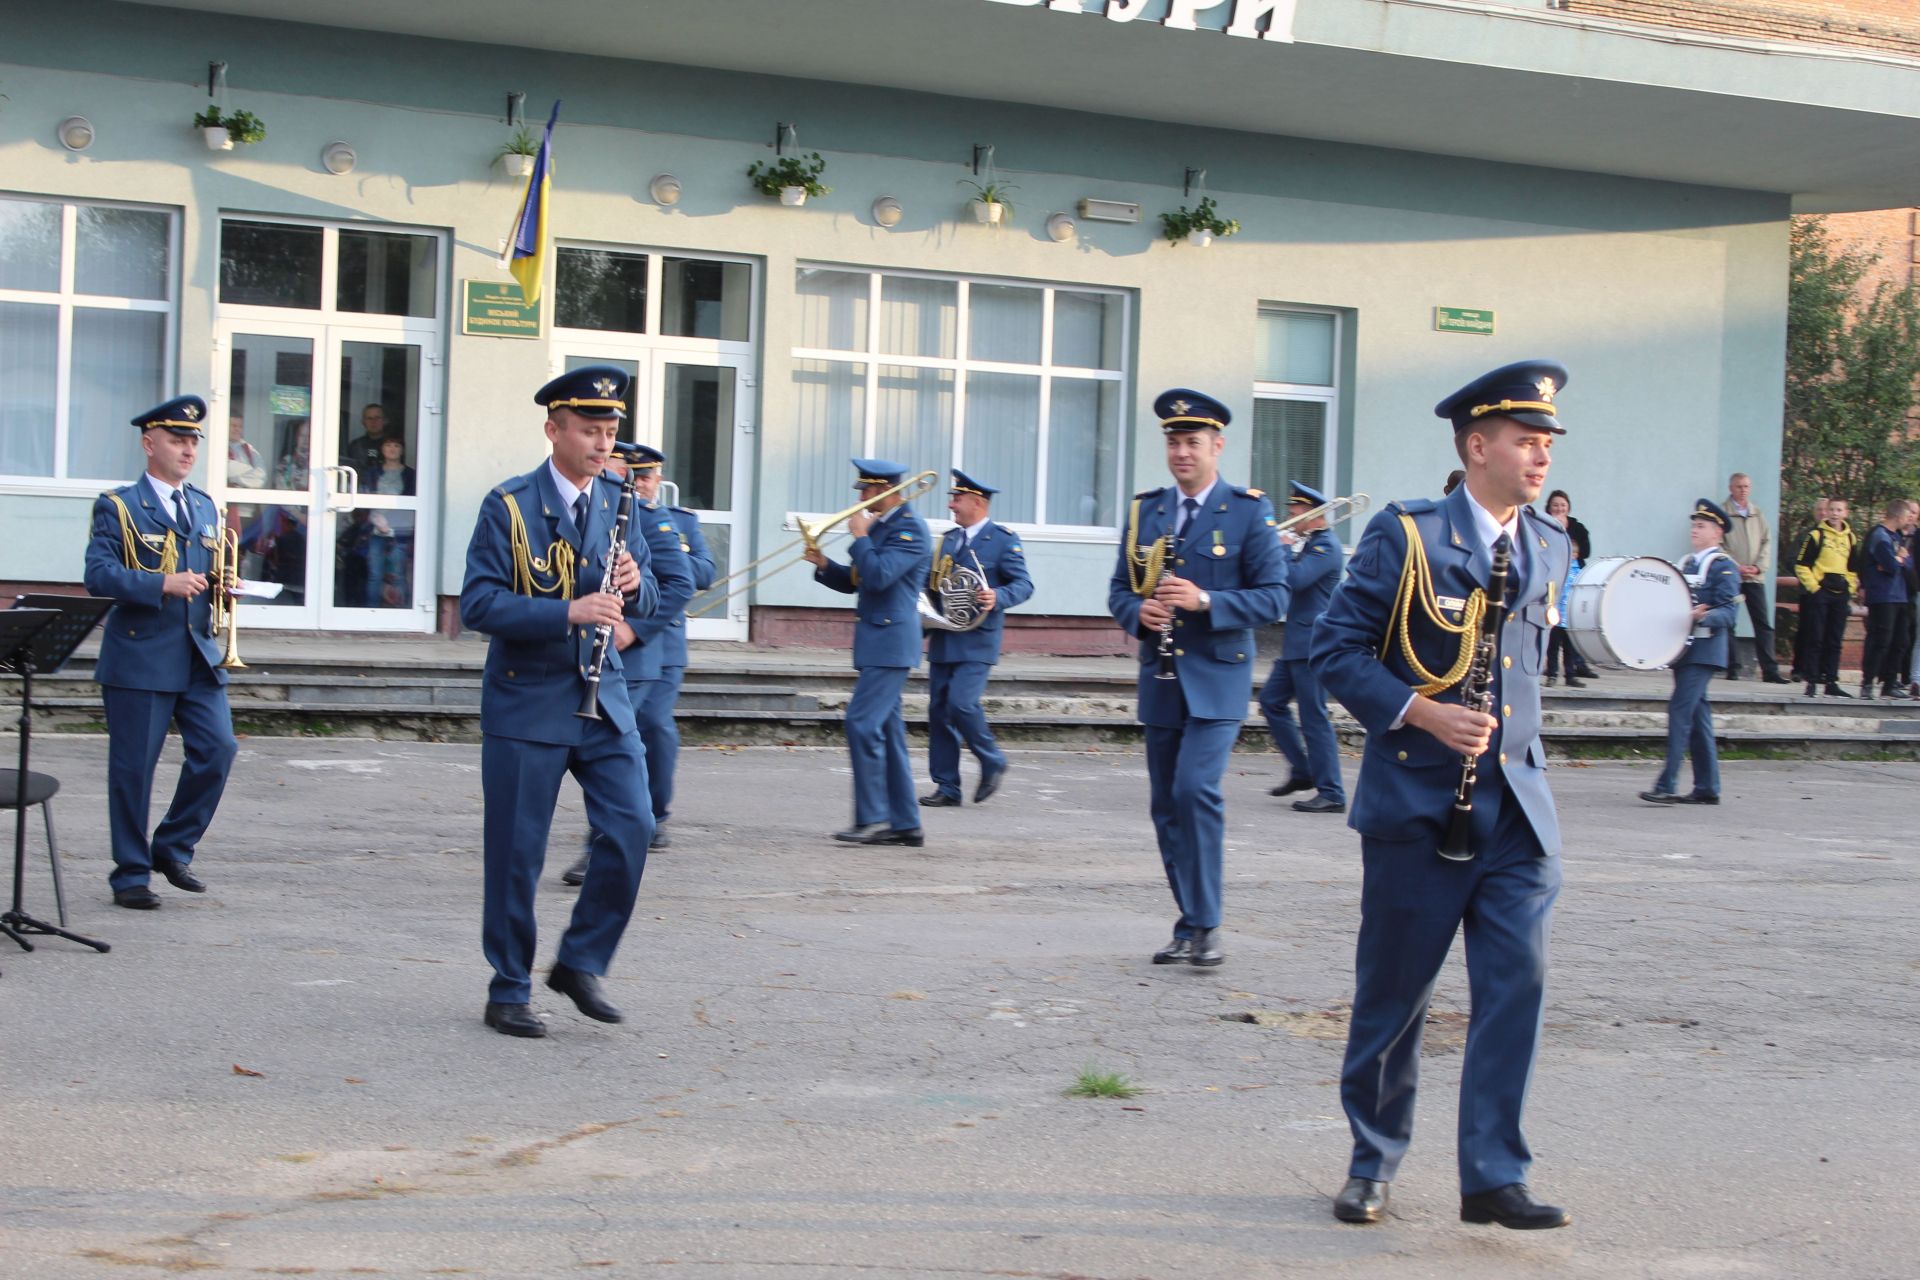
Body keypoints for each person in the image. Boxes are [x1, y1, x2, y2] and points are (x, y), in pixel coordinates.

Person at [1310, 359, 1574, 1231]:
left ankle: (1494, 1175)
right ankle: (1372, 1161)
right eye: (1525, 441)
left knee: (1516, 986)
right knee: (1396, 996)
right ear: (1476, 447)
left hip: (1518, 810)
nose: (1541, 457)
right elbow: (1335, 652)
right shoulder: (1407, 535)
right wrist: (1421, 713)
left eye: (1546, 443)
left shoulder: (1551, 542)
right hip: (1420, 806)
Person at [458, 365, 659, 1039]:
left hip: (604, 699)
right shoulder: (509, 505)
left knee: (633, 826)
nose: (604, 445)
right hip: (528, 700)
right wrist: (567, 610)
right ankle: (509, 987)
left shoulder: (620, 500)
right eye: (590, 431)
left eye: (611, 432)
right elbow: (479, 604)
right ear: (554, 430)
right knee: (517, 854)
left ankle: (580, 961)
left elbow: (650, 597)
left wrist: (636, 583)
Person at [1108, 390, 1289, 968]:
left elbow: (1275, 596)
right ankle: (1188, 922)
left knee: (1195, 790)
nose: (1182, 453)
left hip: (1217, 681)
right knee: (1166, 806)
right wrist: (1138, 612)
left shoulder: (1247, 511)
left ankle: (1207, 923)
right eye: (1174, 443)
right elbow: (1119, 589)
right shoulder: (1146, 511)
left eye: (1193, 442)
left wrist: (1206, 600)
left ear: (1218, 446)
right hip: (1161, 680)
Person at [82, 395, 240, 909]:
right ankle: (130, 874)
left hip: (197, 654)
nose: (188, 450)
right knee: (134, 770)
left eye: (193, 441)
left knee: (218, 749)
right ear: (149, 444)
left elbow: (206, 574)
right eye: (177, 440)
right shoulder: (119, 505)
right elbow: (98, 575)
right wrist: (160, 583)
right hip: (141, 655)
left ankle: (172, 847)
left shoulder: (204, 506)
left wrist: (226, 586)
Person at [561, 443, 702, 886]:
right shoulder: (590, 510)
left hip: (635, 660)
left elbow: (680, 582)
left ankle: (606, 849)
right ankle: (628, 835)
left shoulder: (647, 518)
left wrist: (635, 629)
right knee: (611, 757)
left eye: (614, 464)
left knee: (613, 757)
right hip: (596, 652)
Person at [804, 458, 933, 846]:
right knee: (888, 733)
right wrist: (824, 564)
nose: (860, 498)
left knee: (861, 722)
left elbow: (879, 575)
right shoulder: (882, 527)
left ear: (886, 491)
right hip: (878, 641)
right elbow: (858, 581)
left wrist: (860, 536)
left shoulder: (910, 529)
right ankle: (905, 823)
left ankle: (874, 817)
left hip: (892, 643)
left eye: (867, 491)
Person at [919, 469, 1034, 808]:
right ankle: (947, 786)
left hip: (977, 639)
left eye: (957, 499)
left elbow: (1024, 584)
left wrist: (998, 596)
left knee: (962, 704)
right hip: (945, 637)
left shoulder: (1003, 539)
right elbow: (932, 586)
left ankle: (991, 758)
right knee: (939, 712)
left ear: (978, 503)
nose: (951, 504)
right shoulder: (947, 540)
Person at [1639, 500, 1743, 805]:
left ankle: (1667, 784)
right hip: (1685, 651)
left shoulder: (1723, 566)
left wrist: (1704, 616)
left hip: (1705, 651)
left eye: (1701, 526)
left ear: (1718, 532)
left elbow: (1729, 613)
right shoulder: (1686, 564)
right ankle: (1707, 787)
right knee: (1698, 719)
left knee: (1680, 711)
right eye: (1694, 525)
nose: (1694, 530)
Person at [1258, 481, 1346, 814]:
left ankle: (1332, 792)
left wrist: (1282, 549)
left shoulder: (1327, 547)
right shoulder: (1311, 544)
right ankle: (1302, 770)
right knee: (1270, 701)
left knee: (1314, 718)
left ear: (1313, 514)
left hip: (1313, 645)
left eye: (1295, 512)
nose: (1290, 518)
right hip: (1297, 643)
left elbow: (1295, 580)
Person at [1721, 472, 1789, 683]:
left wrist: (1758, 567)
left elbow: (1767, 542)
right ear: (1731, 488)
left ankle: (1770, 671)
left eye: (1747, 486)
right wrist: (1736, 567)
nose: (1743, 490)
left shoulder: (1757, 513)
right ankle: (1733, 668)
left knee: (1763, 624)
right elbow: (1719, 545)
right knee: (1729, 622)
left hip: (1754, 578)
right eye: (1739, 486)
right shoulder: (1723, 513)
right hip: (1732, 577)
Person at [1793, 496, 1857, 698]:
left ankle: (1831, 681)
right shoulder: (1816, 535)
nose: (1835, 514)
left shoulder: (1850, 538)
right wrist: (1814, 588)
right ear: (1827, 512)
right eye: (1832, 510)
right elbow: (1801, 565)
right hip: (1821, 594)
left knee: (1835, 640)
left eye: (1839, 510)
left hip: (1840, 594)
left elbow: (1853, 568)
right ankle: (1812, 681)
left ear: (1845, 513)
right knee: (1816, 638)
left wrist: (1850, 588)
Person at [1860, 498, 1913, 700]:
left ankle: (1890, 684)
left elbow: (1906, 564)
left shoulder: (1896, 536)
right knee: (1881, 639)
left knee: (1901, 640)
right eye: (1907, 516)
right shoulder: (1879, 535)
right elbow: (1890, 566)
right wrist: (1897, 559)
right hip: (1883, 595)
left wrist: (1897, 559)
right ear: (1898, 516)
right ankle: (1868, 682)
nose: (1909, 520)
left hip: (1899, 595)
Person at [1540, 490, 1585, 688]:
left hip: (1570, 610)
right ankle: (1551, 673)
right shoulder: (1554, 565)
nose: (1559, 508)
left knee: (1570, 644)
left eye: (1563, 505)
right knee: (1553, 643)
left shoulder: (1578, 569)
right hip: (1555, 607)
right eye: (1555, 505)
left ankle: (1570, 674)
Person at [1789, 497, 1829, 683]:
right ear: (1814, 513)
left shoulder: (1840, 537)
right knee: (1806, 630)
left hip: (1831, 592)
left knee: (1826, 633)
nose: (1823, 513)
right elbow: (1792, 560)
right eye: (1819, 510)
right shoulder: (1807, 535)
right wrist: (1809, 577)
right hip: (1810, 592)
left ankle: (1821, 671)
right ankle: (1799, 669)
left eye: (1826, 509)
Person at [343, 403, 394, 473]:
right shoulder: (355, 446)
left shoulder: (393, 446)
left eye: (377, 418)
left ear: (385, 421)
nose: (373, 422)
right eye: (369, 418)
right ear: (363, 422)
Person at [226, 415, 267, 489]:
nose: (237, 429)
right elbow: (227, 470)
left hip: (247, 495)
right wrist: (250, 471)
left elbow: (261, 477)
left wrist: (233, 479)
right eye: (234, 426)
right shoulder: (219, 448)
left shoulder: (249, 449)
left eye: (240, 426)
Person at [273, 419, 311, 491]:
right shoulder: (286, 463)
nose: (305, 440)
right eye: (302, 436)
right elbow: (280, 489)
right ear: (296, 438)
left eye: (309, 436)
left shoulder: (318, 462)